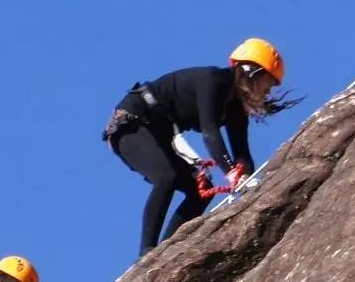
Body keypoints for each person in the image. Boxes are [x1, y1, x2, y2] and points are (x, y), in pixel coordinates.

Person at [104, 38, 297, 258]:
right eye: (267, 83)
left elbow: (242, 154)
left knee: (200, 191)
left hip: (159, 133)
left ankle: (165, 251)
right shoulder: (213, 81)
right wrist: (233, 175)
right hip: (131, 124)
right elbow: (210, 133)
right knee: (167, 176)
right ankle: (147, 251)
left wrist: (248, 181)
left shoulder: (235, 108)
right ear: (251, 71)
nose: (267, 92)